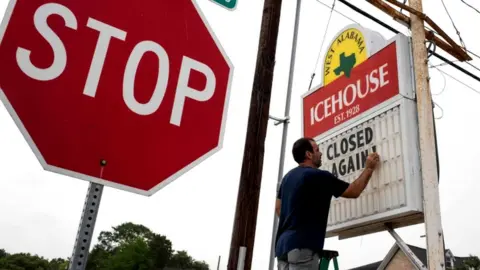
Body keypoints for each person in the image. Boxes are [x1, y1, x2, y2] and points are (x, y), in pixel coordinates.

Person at [275, 137, 380, 270]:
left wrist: (294, 221)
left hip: (282, 247)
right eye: (317, 150)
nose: (321, 153)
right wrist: (369, 168)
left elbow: (278, 207)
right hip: (302, 247)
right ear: (309, 154)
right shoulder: (319, 176)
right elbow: (354, 191)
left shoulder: (287, 177)